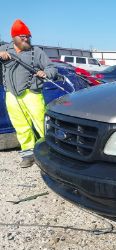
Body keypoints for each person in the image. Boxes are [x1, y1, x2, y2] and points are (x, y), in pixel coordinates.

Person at [0, 19, 56, 168]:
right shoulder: (4, 48)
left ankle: (50, 152)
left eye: (27, 36)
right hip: (11, 95)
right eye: (22, 36)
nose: (26, 39)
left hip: (31, 93)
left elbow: (51, 67)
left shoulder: (36, 52)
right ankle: (28, 154)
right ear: (14, 37)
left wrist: (46, 72)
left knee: (40, 123)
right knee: (21, 125)